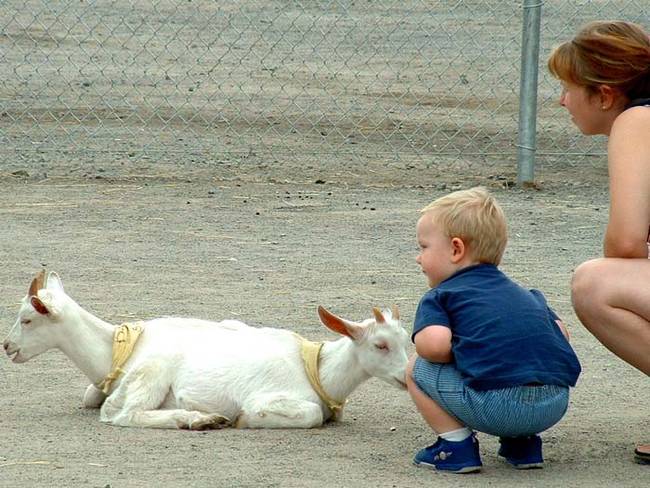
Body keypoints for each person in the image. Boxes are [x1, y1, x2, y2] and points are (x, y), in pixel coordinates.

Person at [406, 187, 581, 473]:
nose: (418, 258)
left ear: (456, 249)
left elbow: (434, 347)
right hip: (553, 404)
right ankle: (523, 446)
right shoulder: (525, 294)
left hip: (498, 408)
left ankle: (455, 446)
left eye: (423, 247)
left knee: (415, 367)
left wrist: (472, 351)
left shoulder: (442, 296)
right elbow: (561, 334)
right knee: (520, 360)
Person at [547, 20, 650, 465]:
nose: (562, 100)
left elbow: (626, 243)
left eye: (569, 88)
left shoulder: (637, 120)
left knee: (595, 283)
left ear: (605, 94)